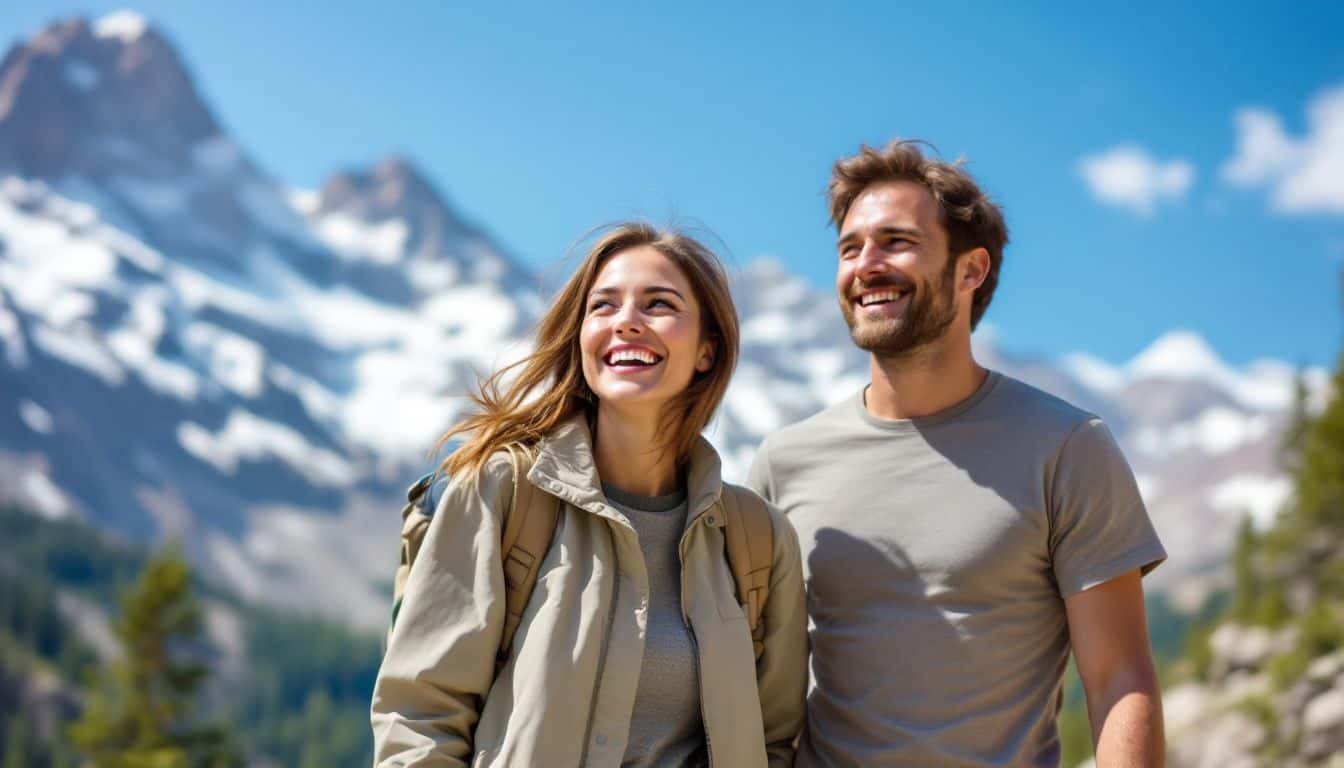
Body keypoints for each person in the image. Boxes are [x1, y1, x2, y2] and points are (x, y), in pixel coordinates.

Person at [748, 140, 1168, 767]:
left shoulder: (1067, 447)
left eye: (895, 241)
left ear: (971, 270)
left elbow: (1119, 684)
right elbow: (755, 690)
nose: (865, 264)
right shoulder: (783, 463)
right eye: (849, 247)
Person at [372, 222, 808, 767]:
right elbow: (419, 715)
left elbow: (775, 741)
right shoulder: (500, 489)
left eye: (659, 304)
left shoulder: (758, 540)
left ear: (706, 351)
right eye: (603, 306)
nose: (626, 321)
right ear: (580, 341)